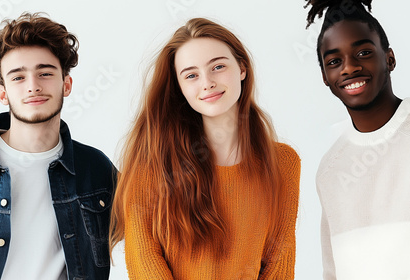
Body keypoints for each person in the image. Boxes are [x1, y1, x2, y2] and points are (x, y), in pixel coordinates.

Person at [109, 18, 300, 279]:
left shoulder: (283, 162)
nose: (207, 82)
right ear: (179, 87)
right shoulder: (152, 162)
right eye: (191, 75)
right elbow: (143, 257)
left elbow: (280, 257)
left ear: (242, 68)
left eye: (218, 66)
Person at [0, 13, 116, 280]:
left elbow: (155, 227)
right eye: (18, 77)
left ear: (66, 84)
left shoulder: (96, 169)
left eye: (45, 73)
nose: (33, 86)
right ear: (2, 93)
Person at [304, 0, 410, 279]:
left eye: (363, 52)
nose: (349, 68)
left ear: (390, 58)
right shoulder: (330, 169)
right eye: (334, 61)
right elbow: (332, 272)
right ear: (325, 76)